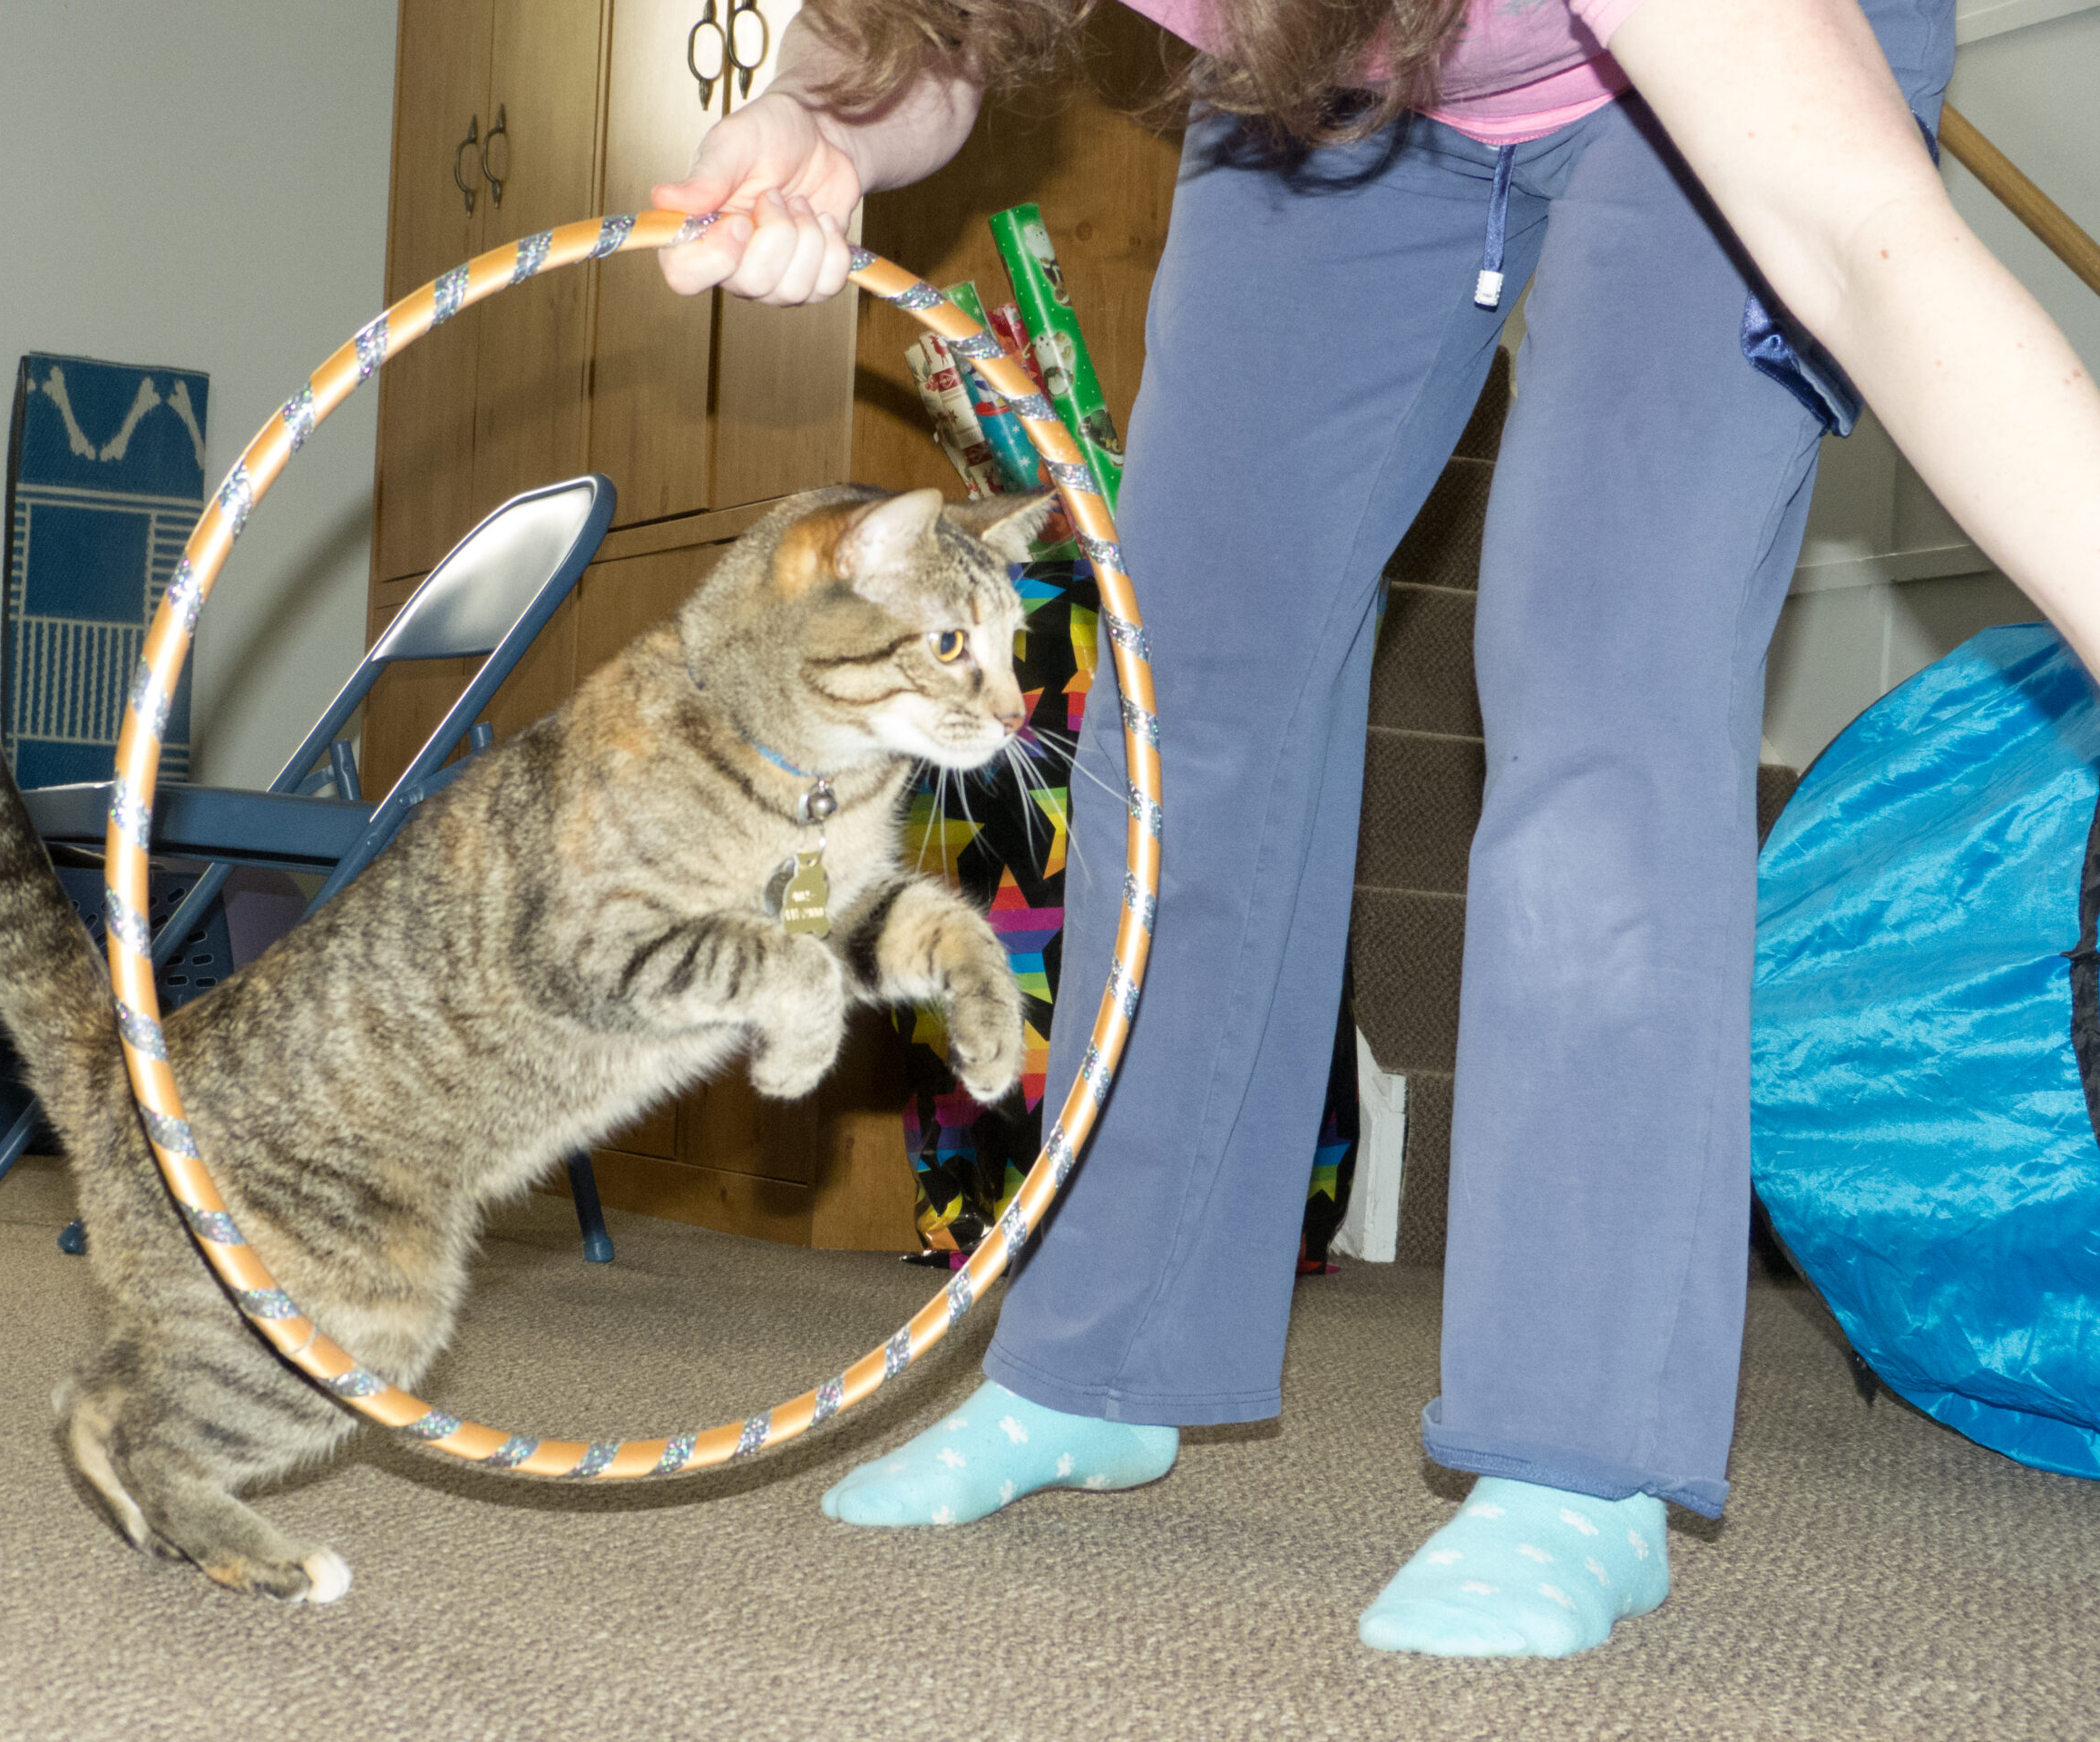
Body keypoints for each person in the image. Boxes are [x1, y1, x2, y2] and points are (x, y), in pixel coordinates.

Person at [650, 0, 2100, 1658]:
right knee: (1180, 684)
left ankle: (1577, 1459)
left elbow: (1859, 244)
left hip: (1720, 67)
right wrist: (822, 125)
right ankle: (1099, 1361)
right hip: (1332, 81)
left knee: (1601, 670)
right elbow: (940, 31)